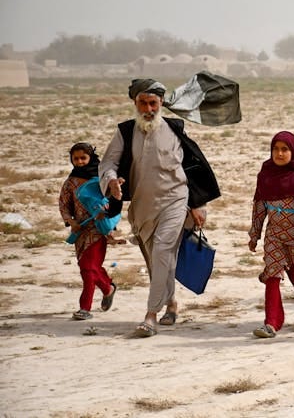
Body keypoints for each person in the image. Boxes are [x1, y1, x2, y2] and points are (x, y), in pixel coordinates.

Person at [99, 79, 219, 337]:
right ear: (135, 103)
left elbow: (194, 168)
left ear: (161, 103)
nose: (148, 108)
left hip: (175, 201)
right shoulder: (126, 132)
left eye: (153, 103)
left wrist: (198, 204)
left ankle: (151, 314)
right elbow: (108, 163)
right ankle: (172, 303)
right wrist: (111, 180)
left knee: (164, 250)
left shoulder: (175, 129)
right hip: (143, 208)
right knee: (158, 262)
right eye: (143, 103)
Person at [249, 131, 294, 338]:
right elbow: (259, 208)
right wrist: (254, 234)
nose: (280, 154)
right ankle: (271, 323)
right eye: (276, 149)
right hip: (273, 236)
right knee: (272, 275)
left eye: (285, 149)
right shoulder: (265, 176)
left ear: (293, 152)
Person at [59, 142, 117, 320]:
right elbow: (63, 205)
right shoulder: (70, 183)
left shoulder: (102, 180)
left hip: (98, 229)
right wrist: (71, 221)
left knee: (88, 267)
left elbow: (114, 201)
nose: (80, 162)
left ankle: (85, 308)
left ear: (91, 158)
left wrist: (110, 224)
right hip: (80, 231)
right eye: (76, 159)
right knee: (89, 267)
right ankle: (108, 287)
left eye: (83, 158)